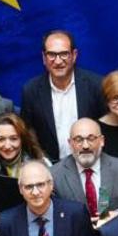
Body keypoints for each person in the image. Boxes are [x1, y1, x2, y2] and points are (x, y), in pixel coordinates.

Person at [20, 29, 106, 162]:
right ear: (44, 58)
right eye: (52, 55)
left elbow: (106, 129)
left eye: (64, 54)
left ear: (74, 55)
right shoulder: (31, 91)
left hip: (92, 163)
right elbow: (28, 133)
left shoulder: (96, 86)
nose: (58, 61)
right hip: (51, 168)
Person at [50, 117, 118, 216]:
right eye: (78, 140)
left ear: (102, 141)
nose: (85, 146)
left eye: (91, 139)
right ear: (70, 143)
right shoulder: (55, 175)